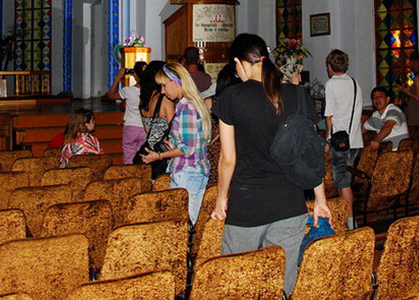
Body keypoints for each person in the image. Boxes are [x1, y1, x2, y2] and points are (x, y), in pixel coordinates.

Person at [212, 33, 330, 296]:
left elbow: (228, 159)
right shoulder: (297, 94)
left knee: (237, 282)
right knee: (284, 283)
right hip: (290, 205)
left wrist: (222, 198)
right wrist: (320, 199)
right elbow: (310, 152)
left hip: (247, 206)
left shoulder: (231, 97)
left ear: (241, 63)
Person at [142, 63, 212, 224]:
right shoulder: (190, 104)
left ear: (176, 82)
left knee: (181, 224)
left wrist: (159, 155)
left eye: (164, 86)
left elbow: (188, 148)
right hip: (194, 169)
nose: (163, 91)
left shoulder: (187, 108)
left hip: (188, 171)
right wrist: (173, 146)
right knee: (186, 221)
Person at [324, 49, 364, 228]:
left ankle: (349, 222)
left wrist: (327, 139)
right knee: (345, 179)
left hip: (339, 141)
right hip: (355, 139)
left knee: (343, 181)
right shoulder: (355, 83)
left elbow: (329, 116)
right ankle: (346, 219)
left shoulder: (332, 84)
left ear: (330, 67)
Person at [135, 61, 175, 173]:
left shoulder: (144, 100)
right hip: (164, 151)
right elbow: (173, 128)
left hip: (150, 148)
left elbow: (147, 129)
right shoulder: (165, 99)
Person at [108, 62, 147, 164]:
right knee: (143, 156)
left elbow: (111, 95)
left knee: (129, 155)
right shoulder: (149, 91)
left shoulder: (128, 91)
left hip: (131, 126)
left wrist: (118, 78)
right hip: (145, 127)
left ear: (134, 75)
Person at [363, 86, 409, 151]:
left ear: (388, 99)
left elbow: (388, 126)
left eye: (380, 97)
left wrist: (377, 139)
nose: (377, 100)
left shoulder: (394, 110)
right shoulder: (375, 115)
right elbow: (362, 129)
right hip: (386, 153)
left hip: (400, 152)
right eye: (374, 97)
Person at [397, 52, 419, 127]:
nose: (409, 64)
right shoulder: (417, 76)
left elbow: (418, 97)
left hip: (416, 109)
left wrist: (404, 90)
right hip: (413, 107)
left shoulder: (418, 78)